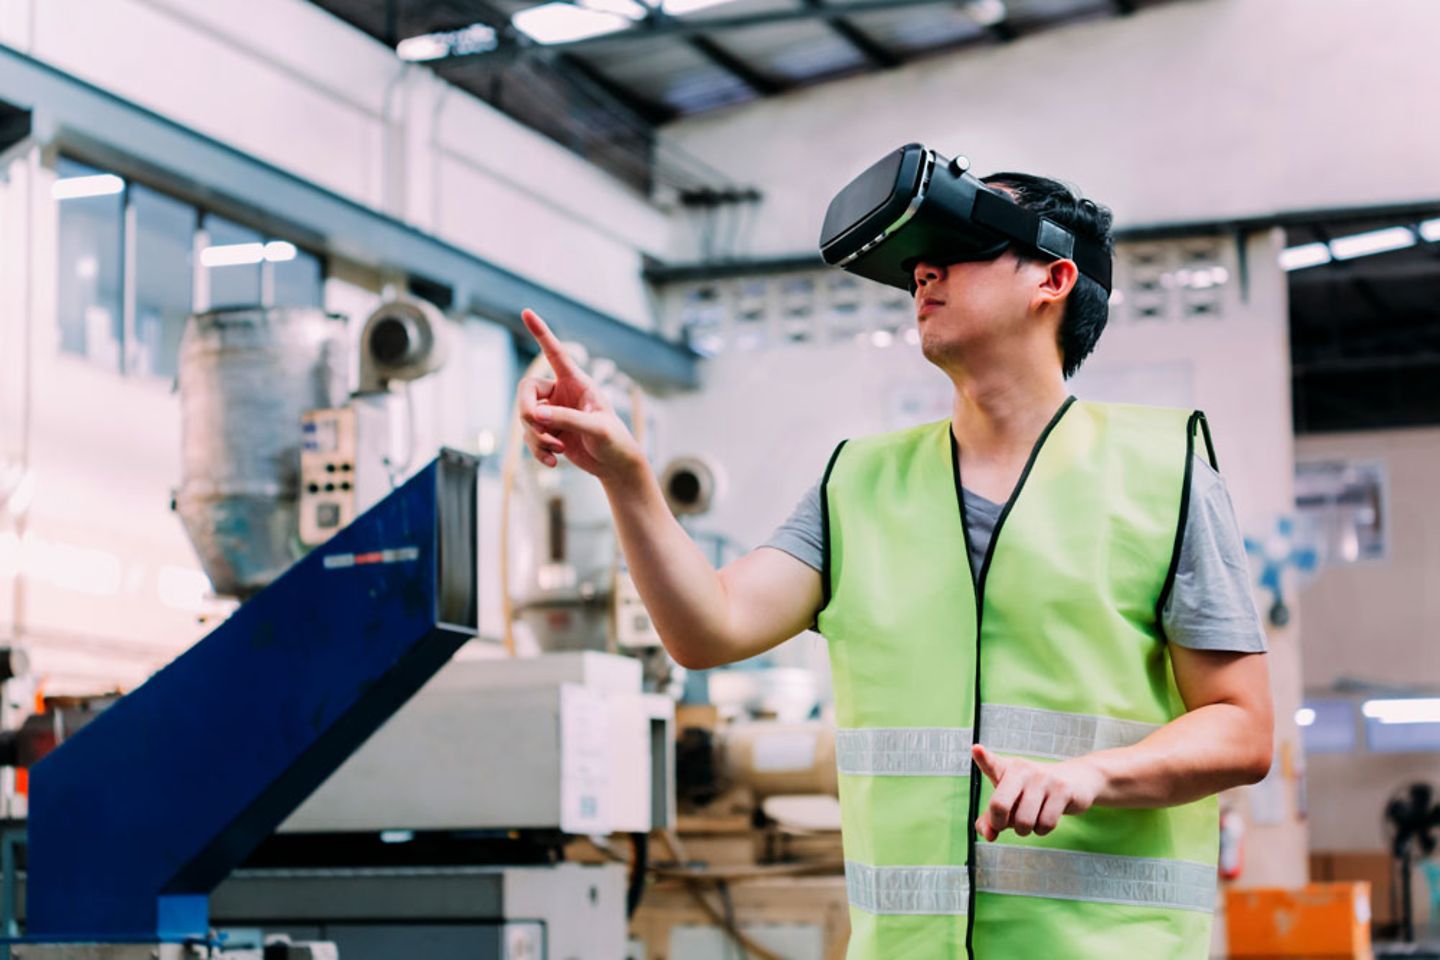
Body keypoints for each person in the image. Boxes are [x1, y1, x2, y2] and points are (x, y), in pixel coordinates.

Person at [514, 170, 1273, 960]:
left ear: (1053, 278)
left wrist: (1094, 776)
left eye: (957, 249)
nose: (922, 271)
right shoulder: (858, 483)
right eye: (917, 260)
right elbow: (709, 628)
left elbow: (1243, 727)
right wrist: (626, 478)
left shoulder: (1163, 471)